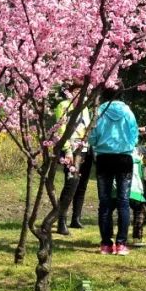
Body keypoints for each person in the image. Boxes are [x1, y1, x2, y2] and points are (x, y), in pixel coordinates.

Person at [87, 88, 139, 255]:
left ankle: (106, 244)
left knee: (105, 202)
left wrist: (98, 144)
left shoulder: (99, 112)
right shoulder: (128, 112)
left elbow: (92, 136)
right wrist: (127, 146)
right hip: (124, 158)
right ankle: (121, 244)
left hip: (104, 158)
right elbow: (134, 135)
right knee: (124, 201)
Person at [54, 80, 92, 235]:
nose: (79, 95)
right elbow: (61, 128)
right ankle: (61, 220)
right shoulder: (64, 105)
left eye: (82, 91)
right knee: (71, 183)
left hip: (85, 148)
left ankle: (76, 218)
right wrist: (67, 150)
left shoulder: (85, 108)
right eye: (76, 91)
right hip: (71, 149)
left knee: (82, 184)